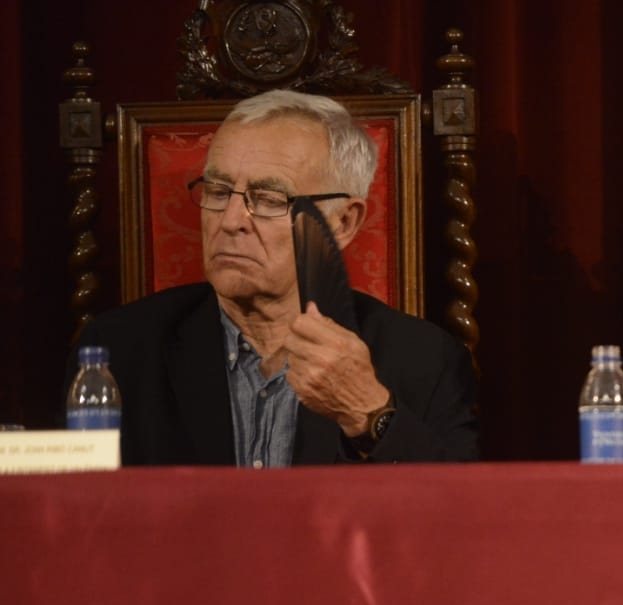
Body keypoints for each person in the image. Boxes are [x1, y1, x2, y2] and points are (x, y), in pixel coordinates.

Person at [77, 90, 478, 465]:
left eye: (269, 200)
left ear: (343, 223)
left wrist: (369, 412)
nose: (231, 221)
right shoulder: (117, 351)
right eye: (217, 191)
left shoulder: (425, 361)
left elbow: (459, 517)